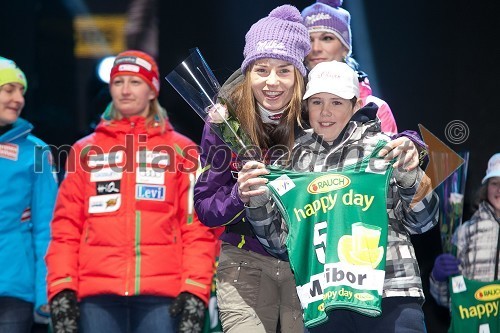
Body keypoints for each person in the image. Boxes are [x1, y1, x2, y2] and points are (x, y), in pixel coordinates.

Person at [239, 61, 439, 332]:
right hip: (324, 303)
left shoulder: (386, 149)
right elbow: (279, 244)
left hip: (391, 293)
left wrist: (411, 178)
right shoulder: (290, 163)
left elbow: (425, 221)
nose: (325, 112)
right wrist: (257, 202)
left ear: (355, 106)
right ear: (305, 106)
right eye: (317, 102)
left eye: (336, 102)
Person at [46, 50, 217, 333]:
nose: (125, 90)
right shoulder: (84, 150)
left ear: (152, 90)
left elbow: (196, 227)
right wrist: (61, 288)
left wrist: (195, 289)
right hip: (96, 295)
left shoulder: (182, 150)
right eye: (118, 81)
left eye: (135, 82)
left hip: (162, 296)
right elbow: (66, 228)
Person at [194, 5, 311, 332]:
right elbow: (204, 207)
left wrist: (411, 144)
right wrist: (238, 194)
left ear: (299, 74)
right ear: (248, 72)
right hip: (244, 263)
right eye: (261, 69)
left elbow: (369, 127)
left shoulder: (315, 115)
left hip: (306, 263)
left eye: (284, 70)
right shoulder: (224, 121)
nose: (272, 82)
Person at [0, 56, 58, 332]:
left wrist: (45, 292)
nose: (17, 98)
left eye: (21, 91)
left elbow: (46, 227)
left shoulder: (37, 151)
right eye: (8, 89)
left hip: (14, 287)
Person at [301, 0, 398, 135]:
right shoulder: (287, 106)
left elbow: (390, 155)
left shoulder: (375, 109)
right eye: (309, 40)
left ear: (345, 48)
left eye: (327, 38)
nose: (315, 48)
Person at [429, 153, 500, 331]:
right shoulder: (464, 232)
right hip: (472, 324)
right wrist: (438, 278)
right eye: (495, 183)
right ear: (486, 188)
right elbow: (449, 300)